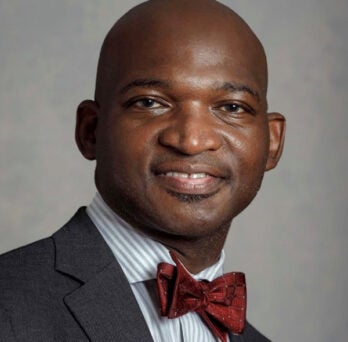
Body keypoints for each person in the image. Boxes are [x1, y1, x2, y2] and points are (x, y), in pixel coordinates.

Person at [0, 0, 285, 341]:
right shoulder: (9, 304)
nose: (192, 140)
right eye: (150, 102)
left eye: (231, 107)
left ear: (272, 142)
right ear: (91, 131)